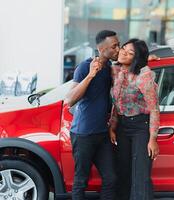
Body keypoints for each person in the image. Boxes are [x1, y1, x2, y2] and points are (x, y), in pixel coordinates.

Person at [65, 30, 120, 200]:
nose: (118, 49)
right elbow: (70, 99)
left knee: (111, 178)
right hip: (83, 134)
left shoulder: (109, 68)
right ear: (101, 49)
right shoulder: (84, 67)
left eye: (118, 45)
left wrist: (146, 61)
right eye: (114, 46)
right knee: (81, 181)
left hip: (102, 134)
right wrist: (90, 75)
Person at [109, 38, 160, 200]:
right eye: (123, 48)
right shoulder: (116, 71)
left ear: (135, 58)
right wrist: (112, 126)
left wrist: (152, 139)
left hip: (140, 126)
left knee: (140, 176)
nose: (123, 53)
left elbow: (154, 109)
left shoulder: (144, 77)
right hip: (122, 126)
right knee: (123, 172)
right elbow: (117, 104)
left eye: (130, 53)